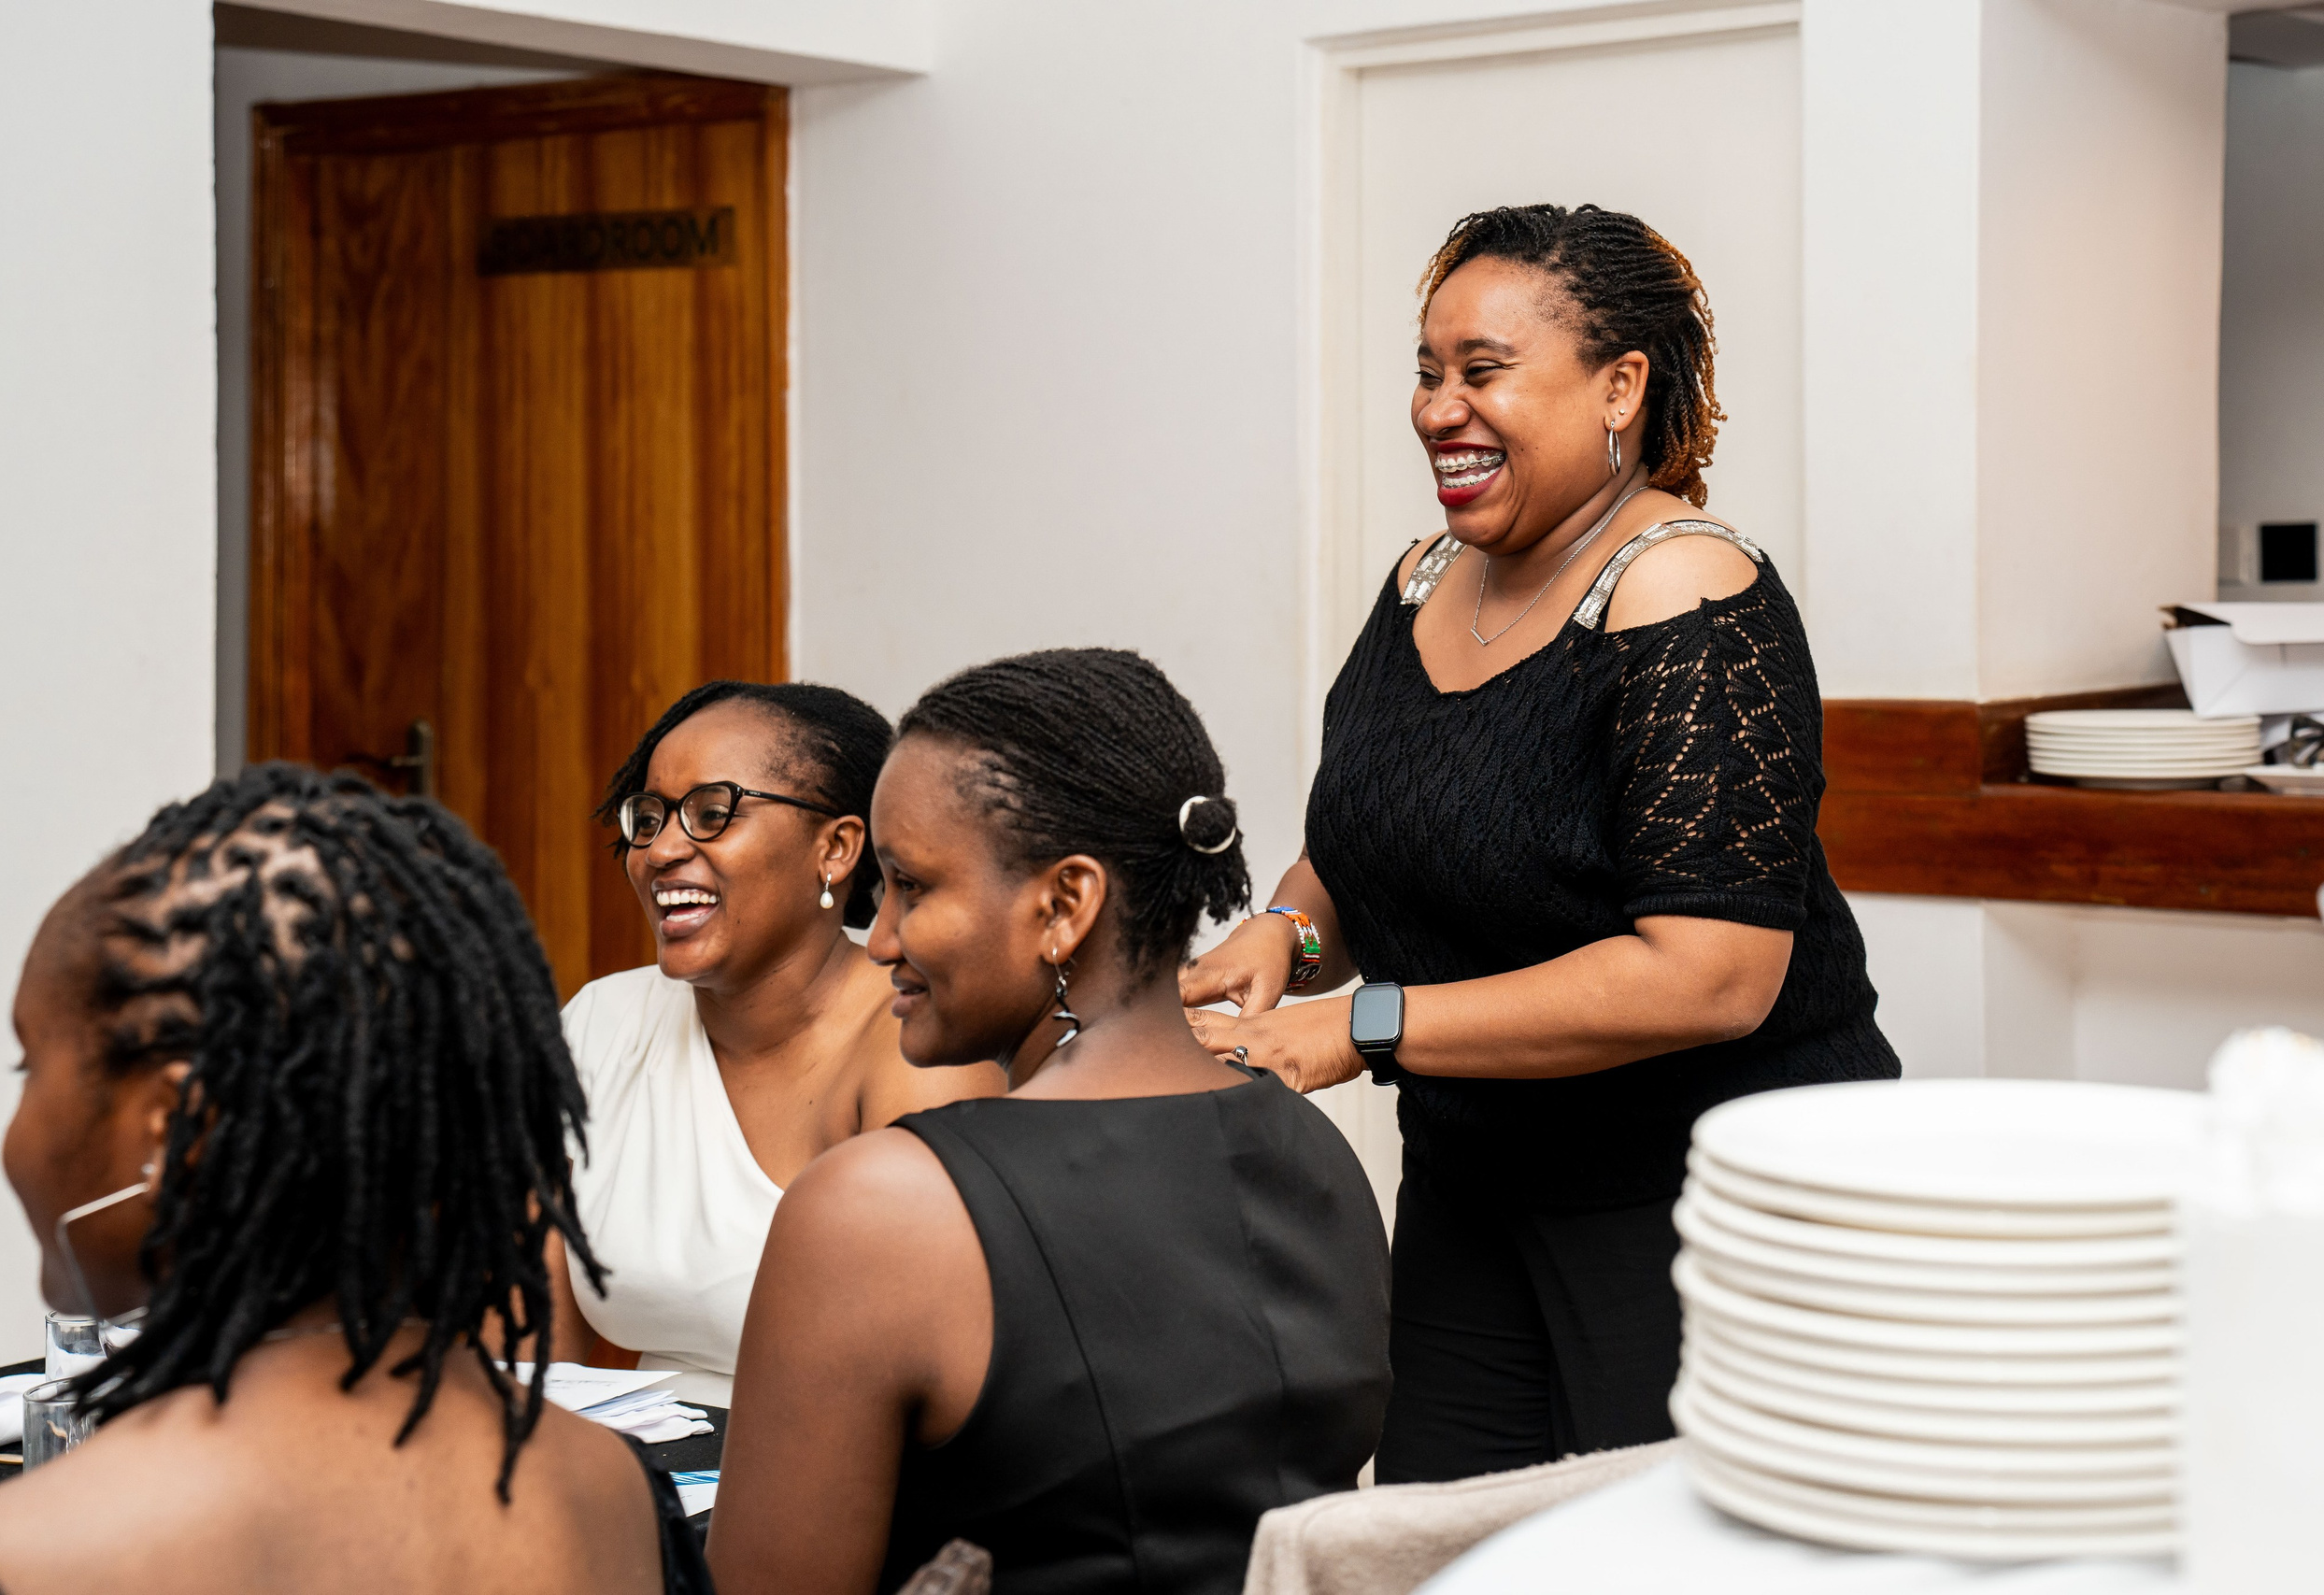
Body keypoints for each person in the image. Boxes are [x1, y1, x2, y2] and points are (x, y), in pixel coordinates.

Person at [1182, 204, 1900, 1484]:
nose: (1440, 408)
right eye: (1426, 370)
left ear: (1621, 383)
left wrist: (1359, 1023)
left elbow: (1710, 973)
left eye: (1484, 370)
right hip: (1479, 1177)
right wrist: (1287, 933)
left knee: (1679, 1555)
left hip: (1705, 1201)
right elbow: (1376, 838)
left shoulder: (1686, 589)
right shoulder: (1421, 580)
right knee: (1440, 1534)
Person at [708, 649, 1390, 1595]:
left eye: (913, 886)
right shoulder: (1318, 1155)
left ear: (1065, 903)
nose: (886, 941)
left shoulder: (880, 1209)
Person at [0, 765, 706, 1595]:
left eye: (31, 1064)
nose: (16, 1127)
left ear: (173, 1125)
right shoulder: (611, 1485)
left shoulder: (10, 1561)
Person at [551, 682, 1005, 1406]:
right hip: (637, 1482)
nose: (662, 849)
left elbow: (923, 1379)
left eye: (712, 812)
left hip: (844, 1479)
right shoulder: (603, 1022)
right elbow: (532, 1348)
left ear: (835, 848)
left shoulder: (917, 1047)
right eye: (650, 816)